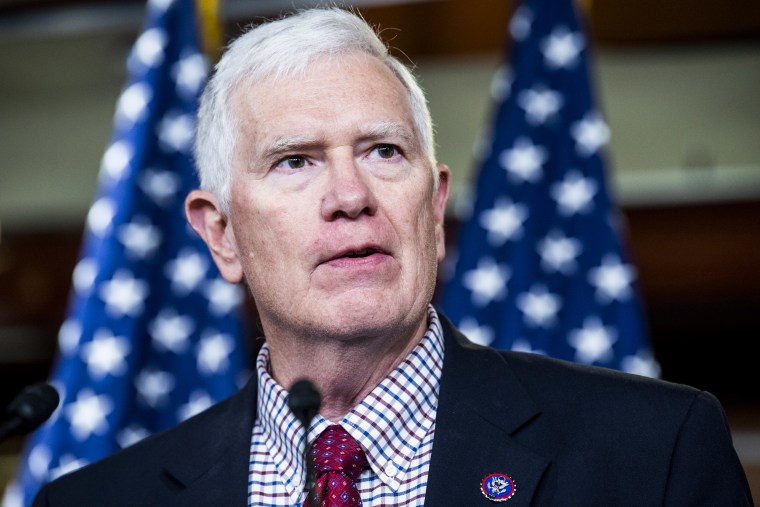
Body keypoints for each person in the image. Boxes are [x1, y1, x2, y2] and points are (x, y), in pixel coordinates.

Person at [34, 7, 752, 507]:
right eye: (295, 161)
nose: (350, 195)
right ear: (221, 233)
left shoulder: (653, 452)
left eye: (383, 151)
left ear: (434, 209)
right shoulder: (94, 499)